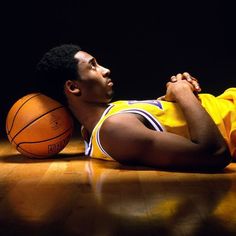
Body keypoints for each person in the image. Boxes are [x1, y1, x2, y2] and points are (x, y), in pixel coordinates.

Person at [35, 44, 236, 171]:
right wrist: (182, 91)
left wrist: (173, 95)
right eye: (93, 66)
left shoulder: (97, 125)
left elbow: (168, 120)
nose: (105, 70)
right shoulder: (114, 129)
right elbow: (214, 154)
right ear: (73, 87)